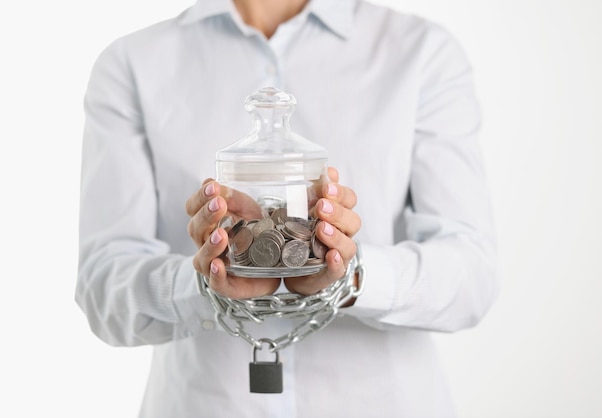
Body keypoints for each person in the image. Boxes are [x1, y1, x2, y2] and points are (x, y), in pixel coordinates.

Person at [75, 0, 498, 416]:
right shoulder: (132, 63)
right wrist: (202, 285)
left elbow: (471, 277)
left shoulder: (421, 52)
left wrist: (351, 276)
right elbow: (101, 287)